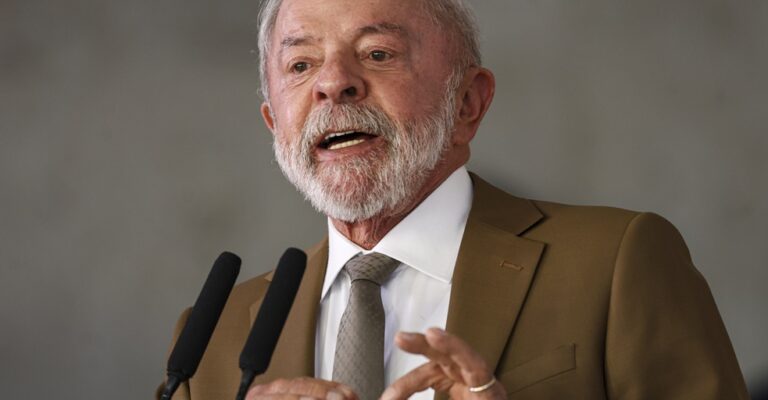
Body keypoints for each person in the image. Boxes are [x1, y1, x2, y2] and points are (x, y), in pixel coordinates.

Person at [160, 0, 750, 398]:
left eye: (377, 54)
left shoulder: (618, 261)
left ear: (467, 102)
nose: (332, 82)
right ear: (274, 123)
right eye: (300, 63)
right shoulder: (213, 338)